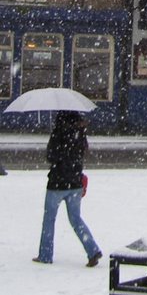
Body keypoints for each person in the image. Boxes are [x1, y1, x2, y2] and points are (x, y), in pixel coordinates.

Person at [33, 111, 102, 267]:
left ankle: (45, 254)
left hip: (57, 184)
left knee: (49, 219)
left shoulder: (58, 133)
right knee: (76, 219)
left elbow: (51, 156)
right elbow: (81, 154)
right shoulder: (81, 134)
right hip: (75, 184)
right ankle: (92, 250)